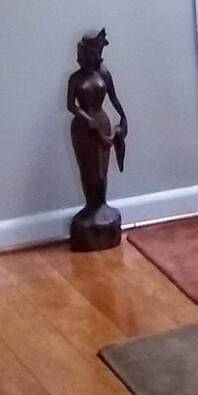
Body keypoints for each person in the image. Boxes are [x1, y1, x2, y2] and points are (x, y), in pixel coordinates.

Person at [66, 30, 127, 251]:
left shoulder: (104, 74)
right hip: (83, 129)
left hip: (102, 122)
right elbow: (71, 105)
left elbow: (114, 98)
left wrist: (123, 118)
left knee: (102, 170)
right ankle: (90, 207)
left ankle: (101, 206)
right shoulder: (75, 78)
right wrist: (85, 118)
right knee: (88, 169)